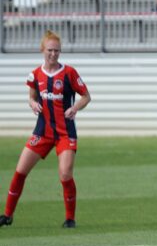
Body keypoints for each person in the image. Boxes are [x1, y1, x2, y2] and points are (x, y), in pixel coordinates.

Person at [1, 31, 91, 229]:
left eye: (57, 51)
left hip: (65, 133)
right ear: (43, 50)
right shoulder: (36, 75)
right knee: (20, 170)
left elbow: (86, 96)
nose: (53, 54)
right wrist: (32, 103)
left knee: (65, 174)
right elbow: (32, 97)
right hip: (42, 132)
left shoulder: (69, 73)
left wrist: (75, 107)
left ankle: (70, 219)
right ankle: (7, 215)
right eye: (50, 50)